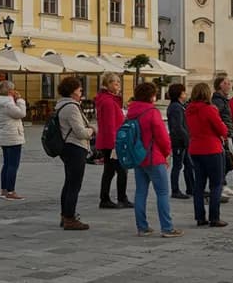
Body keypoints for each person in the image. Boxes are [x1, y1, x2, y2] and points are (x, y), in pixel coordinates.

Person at [125, 82, 181, 238]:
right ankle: (167, 227)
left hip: (138, 157)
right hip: (154, 156)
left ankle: (142, 227)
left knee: (140, 192)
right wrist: (167, 153)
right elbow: (162, 136)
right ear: (151, 96)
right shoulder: (152, 112)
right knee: (162, 192)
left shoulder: (131, 111)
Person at [186, 82, 228, 228]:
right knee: (216, 185)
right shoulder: (209, 109)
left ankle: (200, 217)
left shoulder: (189, 110)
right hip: (212, 149)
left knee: (199, 185)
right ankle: (214, 217)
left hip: (195, 149)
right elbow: (222, 129)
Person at [55, 76, 95, 230]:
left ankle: (65, 215)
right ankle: (70, 218)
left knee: (69, 183)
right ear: (72, 92)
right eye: (79, 90)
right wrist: (92, 130)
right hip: (75, 147)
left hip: (67, 147)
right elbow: (80, 132)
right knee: (74, 185)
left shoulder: (61, 105)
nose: (81, 92)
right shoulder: (71, 107)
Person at [94, 73, 132, 209]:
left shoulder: (109, 100)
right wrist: (115, 144)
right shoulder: (109, 102)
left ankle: (105, 198)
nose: (118, 85)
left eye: (119, 82)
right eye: (115, 83)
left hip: (107, 141)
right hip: (112, 142)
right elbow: (110, 125)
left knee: (109, 171)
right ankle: (121, 198)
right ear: (108, 84)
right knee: (122, 169)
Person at [0, 81, 27, 201]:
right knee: (13, 165)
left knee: (6, 164)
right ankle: (11, 191)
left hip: (4, 135)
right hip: (12, 135)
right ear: (8, 91)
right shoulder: (7, 102)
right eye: (13, 89)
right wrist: (20, 100)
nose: (14, 91)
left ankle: (4, 190)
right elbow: (21, 113)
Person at [210, 75, 233, 197]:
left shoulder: (224, 99)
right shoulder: (218, 100)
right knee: (228, 161)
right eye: (226, 83)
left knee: (228, 160)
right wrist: (223, 131)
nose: (229, 85)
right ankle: (219, 185)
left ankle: (222, 183)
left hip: (228, 132)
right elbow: (216, 117)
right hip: (222, 134)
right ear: (219, 85)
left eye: (229, 83)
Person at [166, 83, 193, 200]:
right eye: (184, 92)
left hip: (183, 140)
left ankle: (191, 187)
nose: (185, 94)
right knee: (177, 166)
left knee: (189, 164)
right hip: (179, 141)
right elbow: (178, 126)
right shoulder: (176, 107)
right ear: (179, 94)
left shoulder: (179, 106)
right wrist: (186, 138)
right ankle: (175, 190)